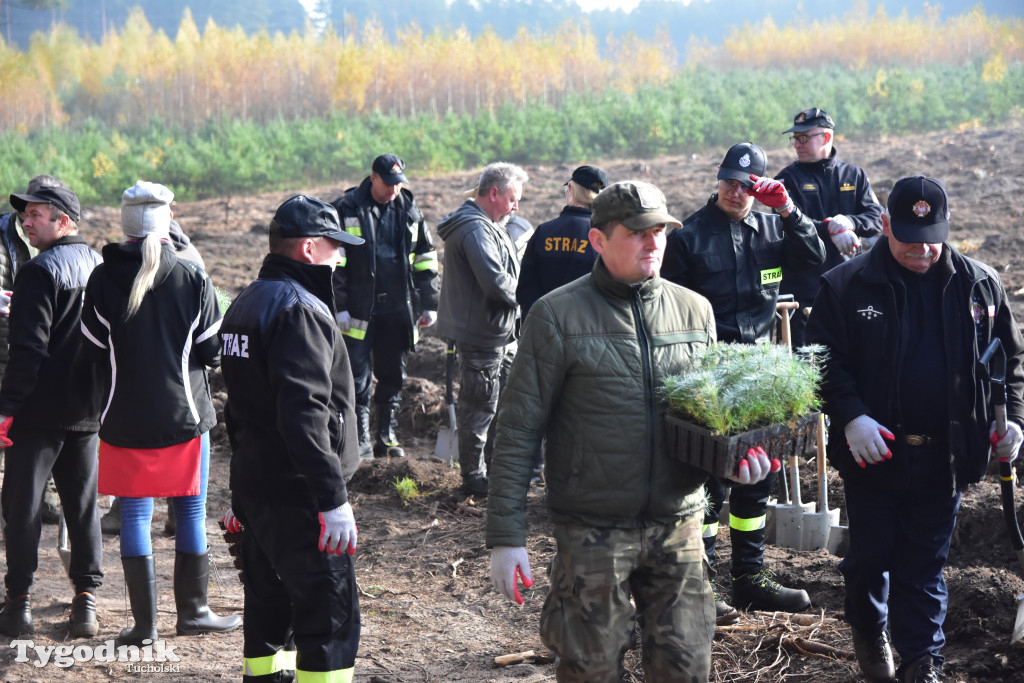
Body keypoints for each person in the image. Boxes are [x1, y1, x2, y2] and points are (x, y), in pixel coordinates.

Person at [486, 180, 775, 681]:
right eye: (638, 232)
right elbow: (516, 431)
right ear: (598, 240)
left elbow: (706, 420)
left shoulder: (693, 311)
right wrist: (505, 536)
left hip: (678, 526)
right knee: (590, 669)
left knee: (686, 667)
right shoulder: (556, 316)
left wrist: (735, 464)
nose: (654, 242)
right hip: (592, 531)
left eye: (660, 230)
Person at [805, 175, 1024, 683]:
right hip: (873, 455)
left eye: (933, 238)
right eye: (909, 239)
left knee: (923, 566)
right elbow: (819, 361)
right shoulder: (846, 285)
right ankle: (868, 628)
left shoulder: (980, 286)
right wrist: (851, 415)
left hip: (946, 455)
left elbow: (1010, 362)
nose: (923, 251)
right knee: (869, 562)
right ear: (884, 226)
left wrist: (1013, 419)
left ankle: (921, 662)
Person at [660, 141, 825, 617]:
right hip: (706, 378)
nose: (736, 192)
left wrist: (790, 210)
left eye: (747, 185)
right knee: (707, 483)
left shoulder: (773, 229)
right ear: (718, 179)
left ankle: (750, 579)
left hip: (758, 377)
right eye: (730, 182)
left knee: (758, 479)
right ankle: (702, 584)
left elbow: (814, 257)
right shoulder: (689, 237)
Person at [80, 181, 240, 646]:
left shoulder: (102, 279)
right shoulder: (191, 277)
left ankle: (144, 627)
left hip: (123, 421)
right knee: (191, 512)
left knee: (134, 519)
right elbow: (212, 354)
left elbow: (93, 352)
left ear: (125, 225)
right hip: (184, 419)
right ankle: (194, 613)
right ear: (169, 219)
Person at [219, 195, 362, 682]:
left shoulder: (247, 301)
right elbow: (304, 416)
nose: (338, 257)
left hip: (257, 486)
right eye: (332, 247)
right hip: (298, 494)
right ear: (307, 249)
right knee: (329, 616)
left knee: (267, 609)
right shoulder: (300, 309)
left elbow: (237, 411)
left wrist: (241, 490)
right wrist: (332, 499)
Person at [0, 182, 104, 638]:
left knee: (21, 508)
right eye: (25, 214)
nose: (26, 221)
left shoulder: (38, 272)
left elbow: (27, 351)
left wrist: (6, 409)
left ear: (64, 221)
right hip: (87, 410)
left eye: (37, 214)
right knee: (82, 508)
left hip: (38, 413)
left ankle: (18, 607)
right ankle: (86, 603)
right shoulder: (100, 266)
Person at [332, 154, 439, 459]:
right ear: (374, 178)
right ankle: (361, 439)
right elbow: (336, 262)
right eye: (389, 183)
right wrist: (340, 306)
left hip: (397, 309)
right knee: (357, 377)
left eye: (398, 183)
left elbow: (425, 257)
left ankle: (386, 437)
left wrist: (428, 302)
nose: (394, 190)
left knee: (393, 375)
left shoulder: (409, 209)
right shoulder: (347, 209)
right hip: (358, 311)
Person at [436, 162, 528, 497]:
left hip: (499, 333)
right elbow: (496, 283)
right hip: (483, 337)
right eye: (513, 199)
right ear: (494, 193)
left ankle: (490, 472)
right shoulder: (475, 230)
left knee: (500, 406)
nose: (516, 207)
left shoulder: (489, 225)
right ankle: (474, 480)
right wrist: (530, 295)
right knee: (479, 408)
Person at [776, 107, 883, 347]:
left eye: (804, 137)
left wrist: (850, 222)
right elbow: (787, 222)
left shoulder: (854, 176)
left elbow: (877, 217)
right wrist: (830, 229)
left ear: (826, 137)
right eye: (795, 138)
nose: (797, 144)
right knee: (807, 364)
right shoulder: (786, 180)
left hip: (849, 286)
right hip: (804, 290)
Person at [516, 165, 609, 316]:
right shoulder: (606, 236)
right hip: (590, 330)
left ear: (570, 188)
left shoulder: (543, 232)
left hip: (545, 328)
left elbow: (525, 288)